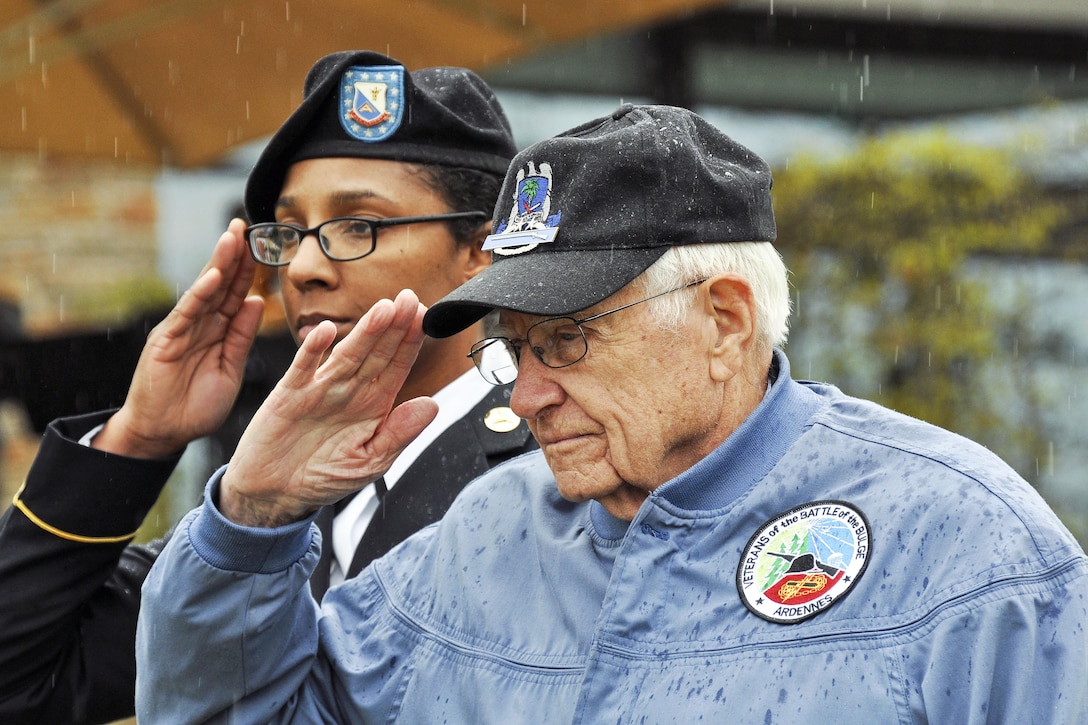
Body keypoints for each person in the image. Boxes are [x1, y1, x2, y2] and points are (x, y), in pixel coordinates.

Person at [135, 104, 1088, 723]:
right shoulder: (483, 540)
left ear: (724, 320)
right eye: (515, 344)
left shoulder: (961, 546)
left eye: (570, 339)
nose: (529, 390)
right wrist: (249, 521)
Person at [0, 50, 536, 724]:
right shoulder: (266, 500)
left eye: (357, 226)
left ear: (480, 256)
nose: (305, 266)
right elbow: (20, 677)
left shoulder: (552, 471)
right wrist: (137, 438)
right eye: (291, 231)